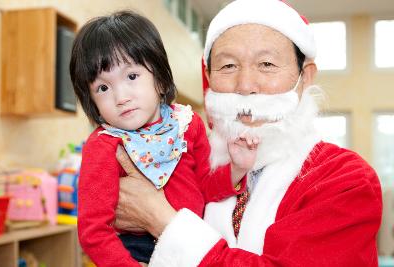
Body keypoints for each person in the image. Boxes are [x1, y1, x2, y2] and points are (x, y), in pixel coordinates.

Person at [113, 0, 383, 266]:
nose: (245, 86)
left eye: (266, 64)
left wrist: (159, 219)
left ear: (306, 77)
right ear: (208, 77)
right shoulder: (188, 167)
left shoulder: (345, 180)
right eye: (228, 66)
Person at [69, 10, 258, 267]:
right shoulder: (104, 145)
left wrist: (237, 168)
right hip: (135, 252)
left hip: (193, 243)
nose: (121, 97)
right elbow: (93, 231)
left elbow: (206, 187)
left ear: (158, 77)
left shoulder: (187, 125)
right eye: (103, 87)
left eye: (132, 76)